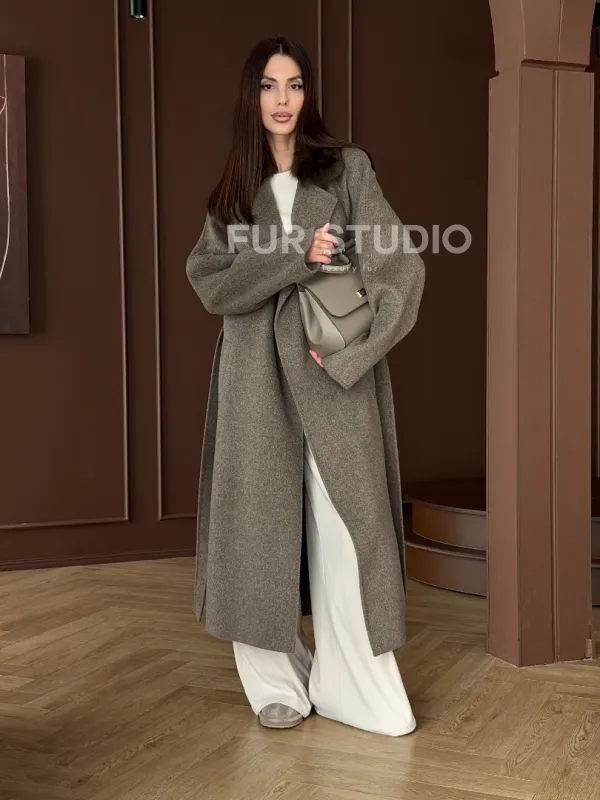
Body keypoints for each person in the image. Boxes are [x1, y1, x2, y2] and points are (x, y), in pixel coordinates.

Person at [185, 36, 425, 736]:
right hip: (255, 373)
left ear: (308, 94)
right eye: (268, 85)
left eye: (294, 85)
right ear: (251, 96)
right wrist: (294, 255)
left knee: (351, 529)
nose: (283, 99)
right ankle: (276, 682)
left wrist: (357, 354)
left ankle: (356, 686)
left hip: (331, 368)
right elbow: (213, 284)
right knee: (256, 527)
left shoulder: (347, 169)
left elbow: (400, 268)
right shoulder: (234, 191)